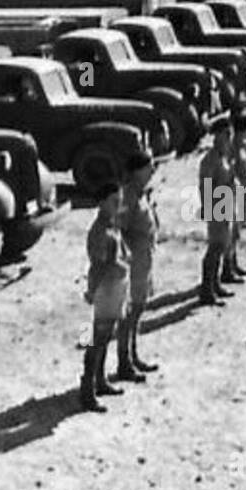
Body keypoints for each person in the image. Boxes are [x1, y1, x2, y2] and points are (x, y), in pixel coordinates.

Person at [82, 181, 129, 411]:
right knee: (97, 339)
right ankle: (87, 391)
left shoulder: (111, 224)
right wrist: (92, 291)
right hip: (105, 289)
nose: (118, 204)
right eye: (114, 201)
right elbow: (100, 266)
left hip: (114, 287)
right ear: (101, 203)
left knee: (105, 336)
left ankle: (99, 381)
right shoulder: (100, 230)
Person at [117, 151, 160, 380]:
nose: (152, 171)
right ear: (136, 171)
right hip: (133, 262)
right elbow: (119, 230)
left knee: (139, 308)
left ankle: (133, 356)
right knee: (129, 313)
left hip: (144, 258)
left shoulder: (141, 193)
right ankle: (124, 362)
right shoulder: (127, 196)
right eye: (148, 167)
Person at [198, 120, 235, 303]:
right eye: (226, 134)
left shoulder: (223, 157)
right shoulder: (210, 160)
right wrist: (208, 208)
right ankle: (206, 289)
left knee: (222, 246)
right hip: (216, 207)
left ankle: (215, 283)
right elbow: (205, 186)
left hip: (225, 205)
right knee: (215, 247)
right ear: (217, 135)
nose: (229, 137)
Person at [224, 113, 246, 280]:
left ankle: (233, 263)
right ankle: (227, 268)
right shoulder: (233, 148)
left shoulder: (242, 146)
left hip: (242, 192)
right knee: (231, 233)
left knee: (237, 232)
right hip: (233, 194)